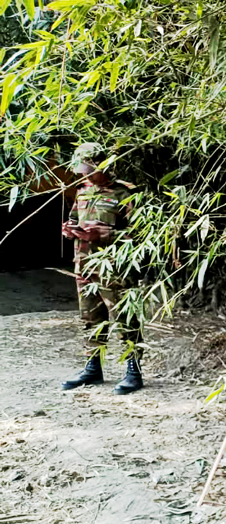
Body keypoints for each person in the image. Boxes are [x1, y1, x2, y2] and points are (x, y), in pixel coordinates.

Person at [60, 143, 145, 395]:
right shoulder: (83, 192)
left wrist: (109, 235)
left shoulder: (126, 192)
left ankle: (134, 372)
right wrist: (70, 229)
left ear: (103, 165)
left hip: (115, 269)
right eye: (81, 170)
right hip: (84, 265)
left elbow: (141, 236)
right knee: (90, 319)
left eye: (88, 169)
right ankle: (92, 368)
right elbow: (75, 219)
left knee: (124, 319)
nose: (84, 175)